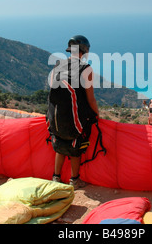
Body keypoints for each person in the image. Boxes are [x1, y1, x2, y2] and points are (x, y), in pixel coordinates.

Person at [48, 35, 99, 189]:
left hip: (55, 118)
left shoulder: (57, 66)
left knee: (60, 145)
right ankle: (74, 180)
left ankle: (56, 177)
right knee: (75, 147)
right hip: (76, 120)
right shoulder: (86, 69)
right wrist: (96, 115)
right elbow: (90, 99)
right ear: (84, 50)